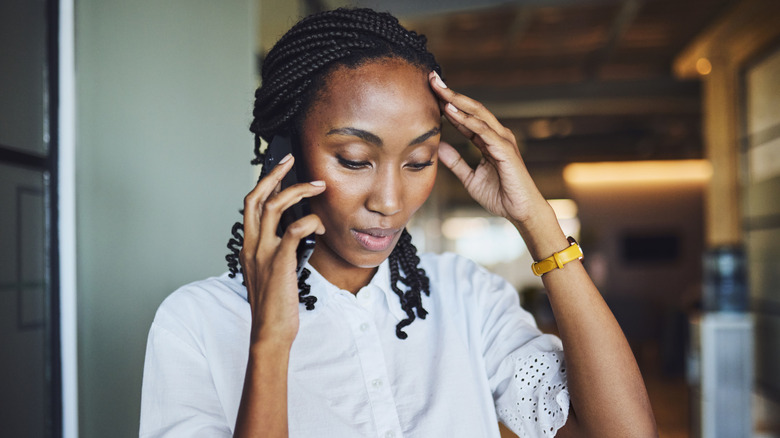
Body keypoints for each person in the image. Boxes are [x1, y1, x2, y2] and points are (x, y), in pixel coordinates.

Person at [140, 7, 657, 438]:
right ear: (286, 152)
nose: (390, 201)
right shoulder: (196, 323)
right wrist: (270, 342)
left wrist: (537, 220)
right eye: (354, 160)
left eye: (418, 161)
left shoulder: (467, 297)